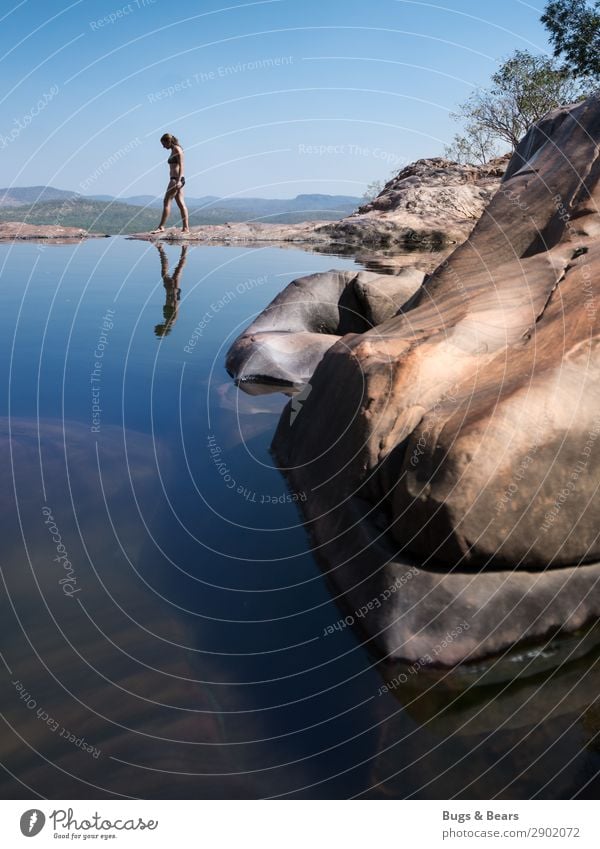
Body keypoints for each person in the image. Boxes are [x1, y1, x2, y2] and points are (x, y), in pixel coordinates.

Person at [151, 133, 189, 234]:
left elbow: (182, 165)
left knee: (166, 201)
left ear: (169, 141)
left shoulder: (177, 149)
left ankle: (161, 227)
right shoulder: (173, 149)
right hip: (176, 179)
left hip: (176, 179)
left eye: (164, 144)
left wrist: (179, 181)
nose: (163, 147)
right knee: (181, 203)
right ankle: (186, 228)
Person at [154, 243, 188, 337]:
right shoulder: (171, 320)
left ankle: (162, 250)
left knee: (170, 270)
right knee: (178, 268)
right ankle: (183, 249)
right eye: (159, 327)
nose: (158, 325)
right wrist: (174, 291)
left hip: (170, 290)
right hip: (173, 291)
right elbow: (175, 304)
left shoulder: (168, 319)